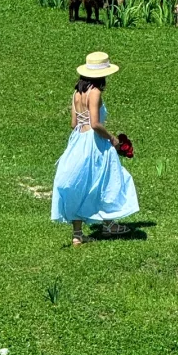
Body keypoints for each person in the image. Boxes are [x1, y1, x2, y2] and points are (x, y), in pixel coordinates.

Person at [51, 51, 138, 246]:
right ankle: (109, 224)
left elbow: (74, 123)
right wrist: (113, 139)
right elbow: (96, 124)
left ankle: (78, 234)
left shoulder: (77, 93)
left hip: (78, 141)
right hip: (94, 142)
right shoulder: (95, 93)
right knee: (108, 179)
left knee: (81, 183)